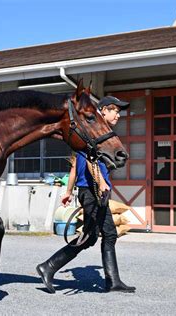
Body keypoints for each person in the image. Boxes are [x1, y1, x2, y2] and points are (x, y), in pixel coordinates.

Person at [36, 96, 136, 293]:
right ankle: (111, 281)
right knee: (108, 234)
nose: (118, 114)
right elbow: (91, 163)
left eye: (118, 111)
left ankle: (49, 267)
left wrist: (67, 191)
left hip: (89, 191)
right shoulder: (92, 134)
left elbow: (74, 166)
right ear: (103, 111)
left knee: (91, 237)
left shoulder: (99, 135)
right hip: (93, 192)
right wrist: (101, 184)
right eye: (114, 110)